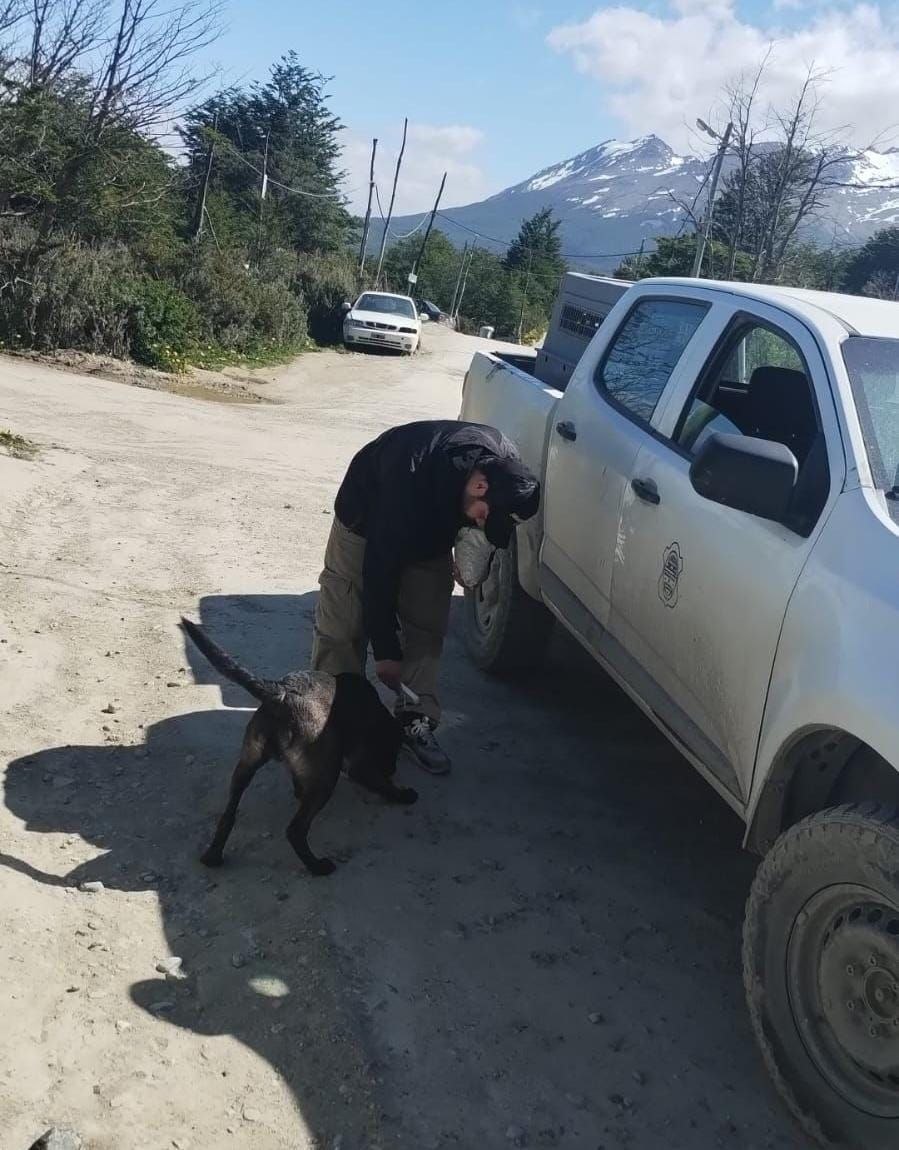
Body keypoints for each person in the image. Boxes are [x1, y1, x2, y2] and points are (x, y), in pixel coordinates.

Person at [310, 420, 541, 774]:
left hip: (430, 532)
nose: (481, 524)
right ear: (479, 486)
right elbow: (379, 571)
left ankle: (415, 719)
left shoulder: (502, 466)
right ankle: (331, 720)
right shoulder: (408, 477)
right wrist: (386, 652)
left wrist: (470, 553)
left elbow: (487, 529)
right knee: (344, 622)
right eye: (483, 518)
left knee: (428, 621)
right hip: (366, 524)